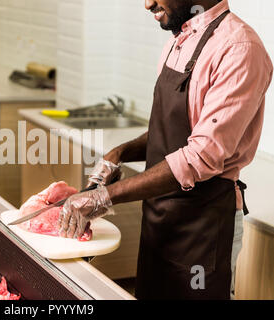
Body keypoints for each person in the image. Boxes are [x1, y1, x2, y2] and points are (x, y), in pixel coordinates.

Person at [58, 0, 273, 300]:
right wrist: (119, 154)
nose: (148, 4)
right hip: (161, 220)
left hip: (203, 229)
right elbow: (174, 131)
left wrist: (104, 197)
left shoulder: (239, 48)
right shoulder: (180, 40)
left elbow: (201, 155)